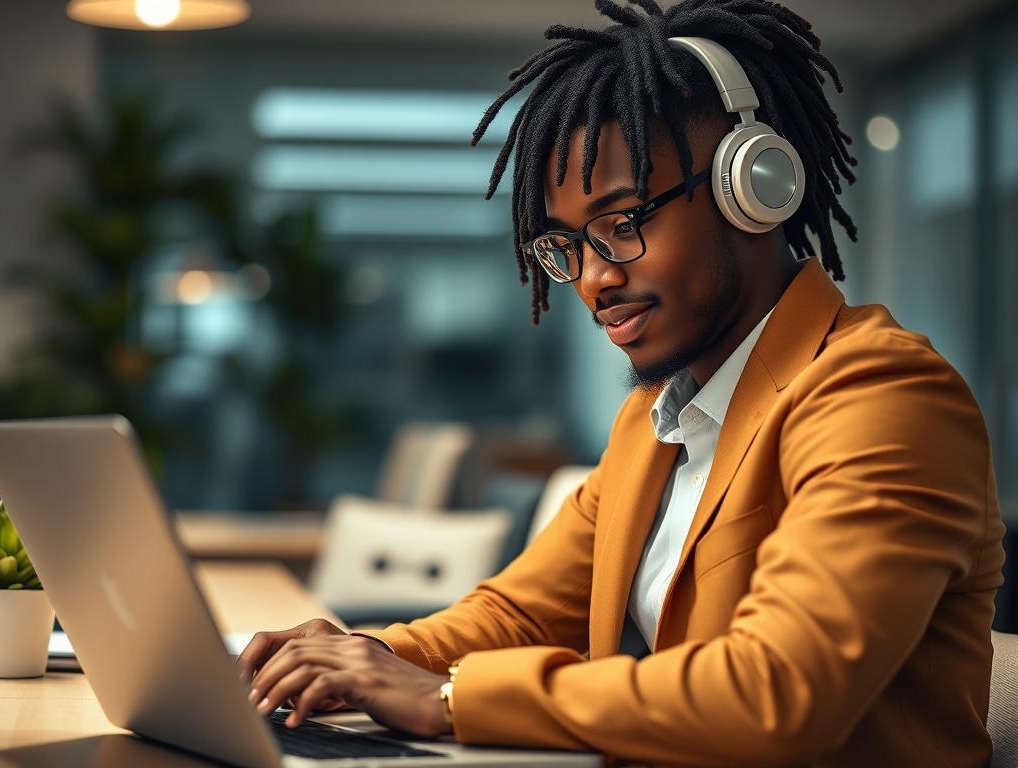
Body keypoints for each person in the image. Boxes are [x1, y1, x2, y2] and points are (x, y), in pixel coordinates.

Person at [237, 1, 1007, 764]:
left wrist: (445, 699)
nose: (596, 279)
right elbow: (518, 614)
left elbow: (777, 693)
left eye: (625, 221)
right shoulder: (657, 422)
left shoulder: (884, 395)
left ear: (756, 188)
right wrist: (356, 658)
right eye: (568, 243)